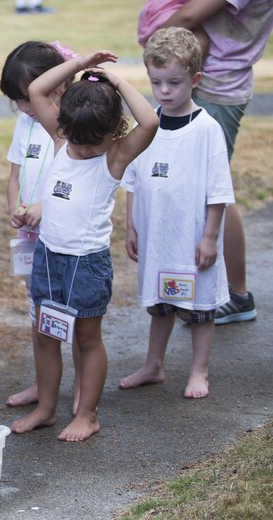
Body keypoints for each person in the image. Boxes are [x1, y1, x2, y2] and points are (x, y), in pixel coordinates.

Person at [9, 51, 158, 441]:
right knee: (44, 334)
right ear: (63, 127)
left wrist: (117, 81)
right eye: (78, 140)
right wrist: (80, 64)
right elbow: (39, 88)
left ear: (114, 132)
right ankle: (45, 407)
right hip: (48, 255)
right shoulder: (60, 138)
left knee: (86, 339)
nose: (84, 148)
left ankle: (88, 414)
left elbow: (151, 121)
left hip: (86, 264)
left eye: (95, 141)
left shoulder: (115, 156)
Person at [119, 27, 234, 399]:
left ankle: (199, 370)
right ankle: (154, 365)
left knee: (198, 308)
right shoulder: (147, 124)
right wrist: (130, 227)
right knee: (160, 303)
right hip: (156, 237)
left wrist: (210, 237)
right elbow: (132, 179)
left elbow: (218, 190)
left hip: (191, 238)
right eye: (156, 82)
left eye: (174, 82)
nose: (164, 91)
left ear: (195, 80)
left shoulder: (207, 130)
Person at [153, 0, 273, 324]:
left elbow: (191, 14)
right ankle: (213, 289)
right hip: (213, 81)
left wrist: (154, 43)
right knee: (207, 186)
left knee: (214, 188)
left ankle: (236, 293)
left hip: (216, 84)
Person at [0, 40, 85, 416]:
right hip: (32, 239)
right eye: (16, 100)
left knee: (78, 315)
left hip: (68, 238)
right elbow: (15, 175)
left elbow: (80, 183)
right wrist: (15, 207)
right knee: (39, 310)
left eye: (26, 98)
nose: (21, 107)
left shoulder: (77, 124)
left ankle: (84, 389)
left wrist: (43, 207)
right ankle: (43, 382)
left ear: (58, 85)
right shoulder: (24, 123)